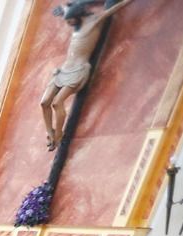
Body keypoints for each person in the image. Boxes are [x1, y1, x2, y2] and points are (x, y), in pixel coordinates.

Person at [40, 0, 139, 149]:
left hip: (78, 70)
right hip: (64, 69)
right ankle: (50, 132)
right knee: (44, 102)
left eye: (69, 20)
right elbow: (70, 6)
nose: (68, 24)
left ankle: (59, 135)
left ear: (78, 16)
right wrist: (64, 7)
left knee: (56, 103)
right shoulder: (75, 21)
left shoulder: (93, 21)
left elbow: (116, 7)